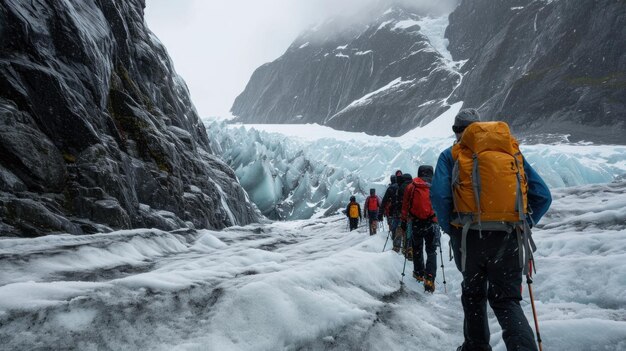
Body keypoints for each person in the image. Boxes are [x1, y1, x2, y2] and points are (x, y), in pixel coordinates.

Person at [431, 108, 552, 351]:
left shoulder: (450, 155)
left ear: (457, 131)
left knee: (474, 294)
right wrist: (523, 225)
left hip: (469, 239)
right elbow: (543, 196)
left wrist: (451, 229)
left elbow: (440, 197)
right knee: (507, 301)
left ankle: (476, 347)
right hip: (508, 239)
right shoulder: (510, 152)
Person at [401, 165, 438, 293]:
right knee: (431, 250)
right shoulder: (436, 185)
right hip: (432, 223)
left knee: (417, 248)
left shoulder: (411, 186)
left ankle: (419, 273)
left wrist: (404, 221)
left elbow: (405, 206)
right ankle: (430, 278)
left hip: (416, 222)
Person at [382, 175, 401, 251]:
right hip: (401, 211)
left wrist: (381, 211)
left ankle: (395, 242)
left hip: (392, 212)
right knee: (400, 226)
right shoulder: (400, 186)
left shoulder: (390, 188)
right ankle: (403, 243)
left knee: (393, 226)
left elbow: (384, 201)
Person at [397, 173, 413, 259]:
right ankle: (411, 248)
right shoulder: (414, 185)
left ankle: (405, 248)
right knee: (410, 232)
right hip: (414, 214)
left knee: (404, 230)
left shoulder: (401, 187)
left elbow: (401, 202)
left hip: (404, 213)